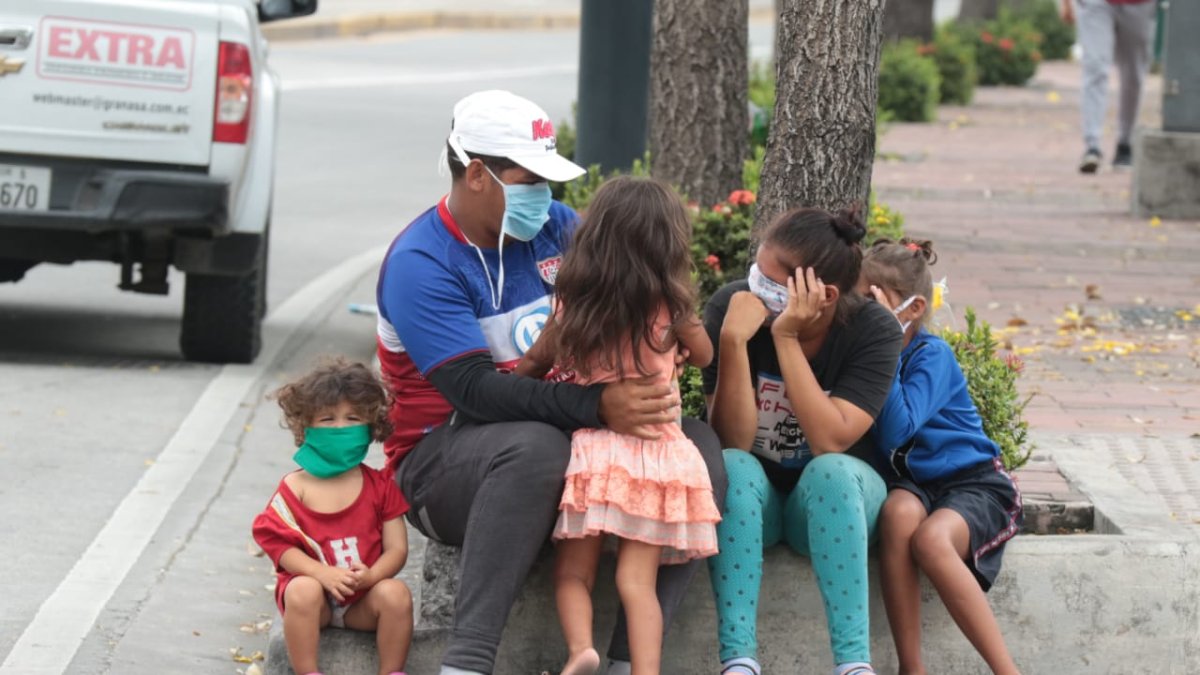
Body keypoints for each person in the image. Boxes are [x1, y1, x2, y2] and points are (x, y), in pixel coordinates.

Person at [375, 90, 727, 675]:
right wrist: (600, 405)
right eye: (531, 178)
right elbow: (476, 394)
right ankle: (466, 663)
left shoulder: (559, 230)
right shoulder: (422, 262)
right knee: (534, 447)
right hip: (443, 463)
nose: (546, 196)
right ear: (480, 175)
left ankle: (625, 662)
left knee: (697, 454)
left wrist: (658, 344)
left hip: (578, 440)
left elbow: (638, 288)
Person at [514, 177, 721, 675]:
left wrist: (507, 382)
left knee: (574, 574)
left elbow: (533, 367)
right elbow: (707, 354)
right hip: (658, 451)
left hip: (599, 454)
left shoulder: (573, 304)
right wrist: (679, 347)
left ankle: (581, 650)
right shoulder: (673, 307)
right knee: (637, 582)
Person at [703, 207, 903, 675]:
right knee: (732, 465)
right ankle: (739, 662)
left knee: (829, 470)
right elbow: (731, 439)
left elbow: (832, 439)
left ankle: (854, 666)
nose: (756, 287)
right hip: (761, 504)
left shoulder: (873, 330)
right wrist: (733, 343)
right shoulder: (731, 307)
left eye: (773, 282)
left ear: (825, 295)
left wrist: (786, 336)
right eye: (758, 270)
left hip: (841, 500)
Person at [860, 239, 1023, 675]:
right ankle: (912, 669)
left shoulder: (931, 354)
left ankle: (1007, 670)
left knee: (931, 541)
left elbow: (898, 429)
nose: (862, 312)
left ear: (911, 311)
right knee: (897, 514)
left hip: (972, 483)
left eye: (873, 302)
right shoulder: (861, 354)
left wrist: (886, 346)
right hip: (915, 485)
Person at [252, 358, 413, 675]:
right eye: (327, 419)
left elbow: (397, 550)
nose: (341, 427)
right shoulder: (294, 488)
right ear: (305, 425)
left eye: (353, 418)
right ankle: (308, 671)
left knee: (397, 594)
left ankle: (393, 671)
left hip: (362, 601)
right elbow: (278, 546)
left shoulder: (380, 485)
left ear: (371, 424)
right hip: (315, 605)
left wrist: (371, 577)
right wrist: (321, 574)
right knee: (302, 590)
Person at [1061, 0, 1157, 172]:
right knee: (1095, 67)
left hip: (1139, 4)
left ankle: (1125, 143)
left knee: (1133, 75)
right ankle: (1092, 146)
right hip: (1094, 4)